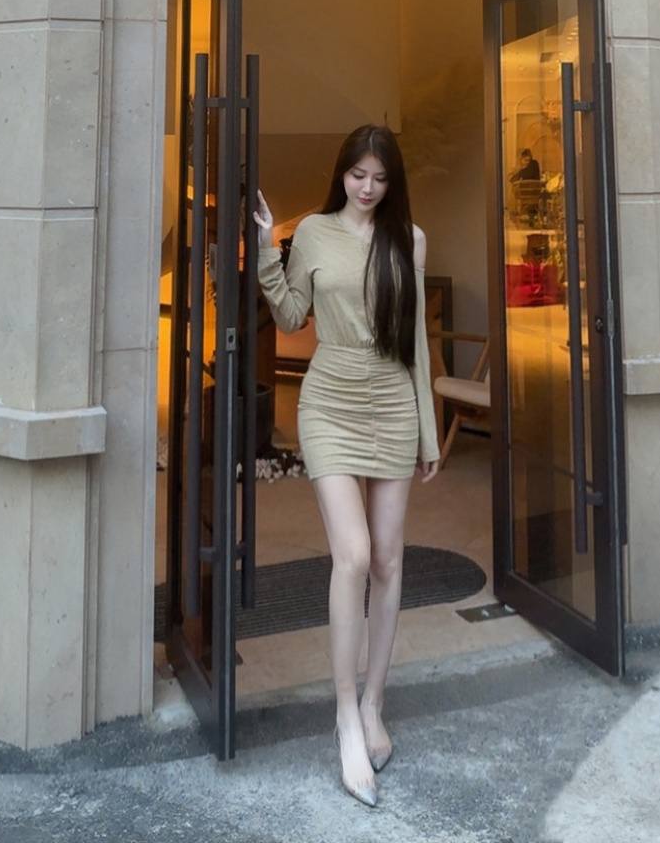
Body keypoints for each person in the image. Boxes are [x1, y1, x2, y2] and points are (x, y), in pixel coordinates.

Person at [253, 124, 440, 809]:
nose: (367, 187)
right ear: (342, 174)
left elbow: (415, 340)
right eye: (358, 174)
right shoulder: (313, 233)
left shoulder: (408, 240)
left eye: (379, 178)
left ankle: (373, 703)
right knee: (353, 556)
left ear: (393, 183)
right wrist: (265, 250)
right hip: (330, 404)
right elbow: (291, 316)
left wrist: (427, 431)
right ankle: (343, 717)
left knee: (389, 560)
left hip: (392, 403)